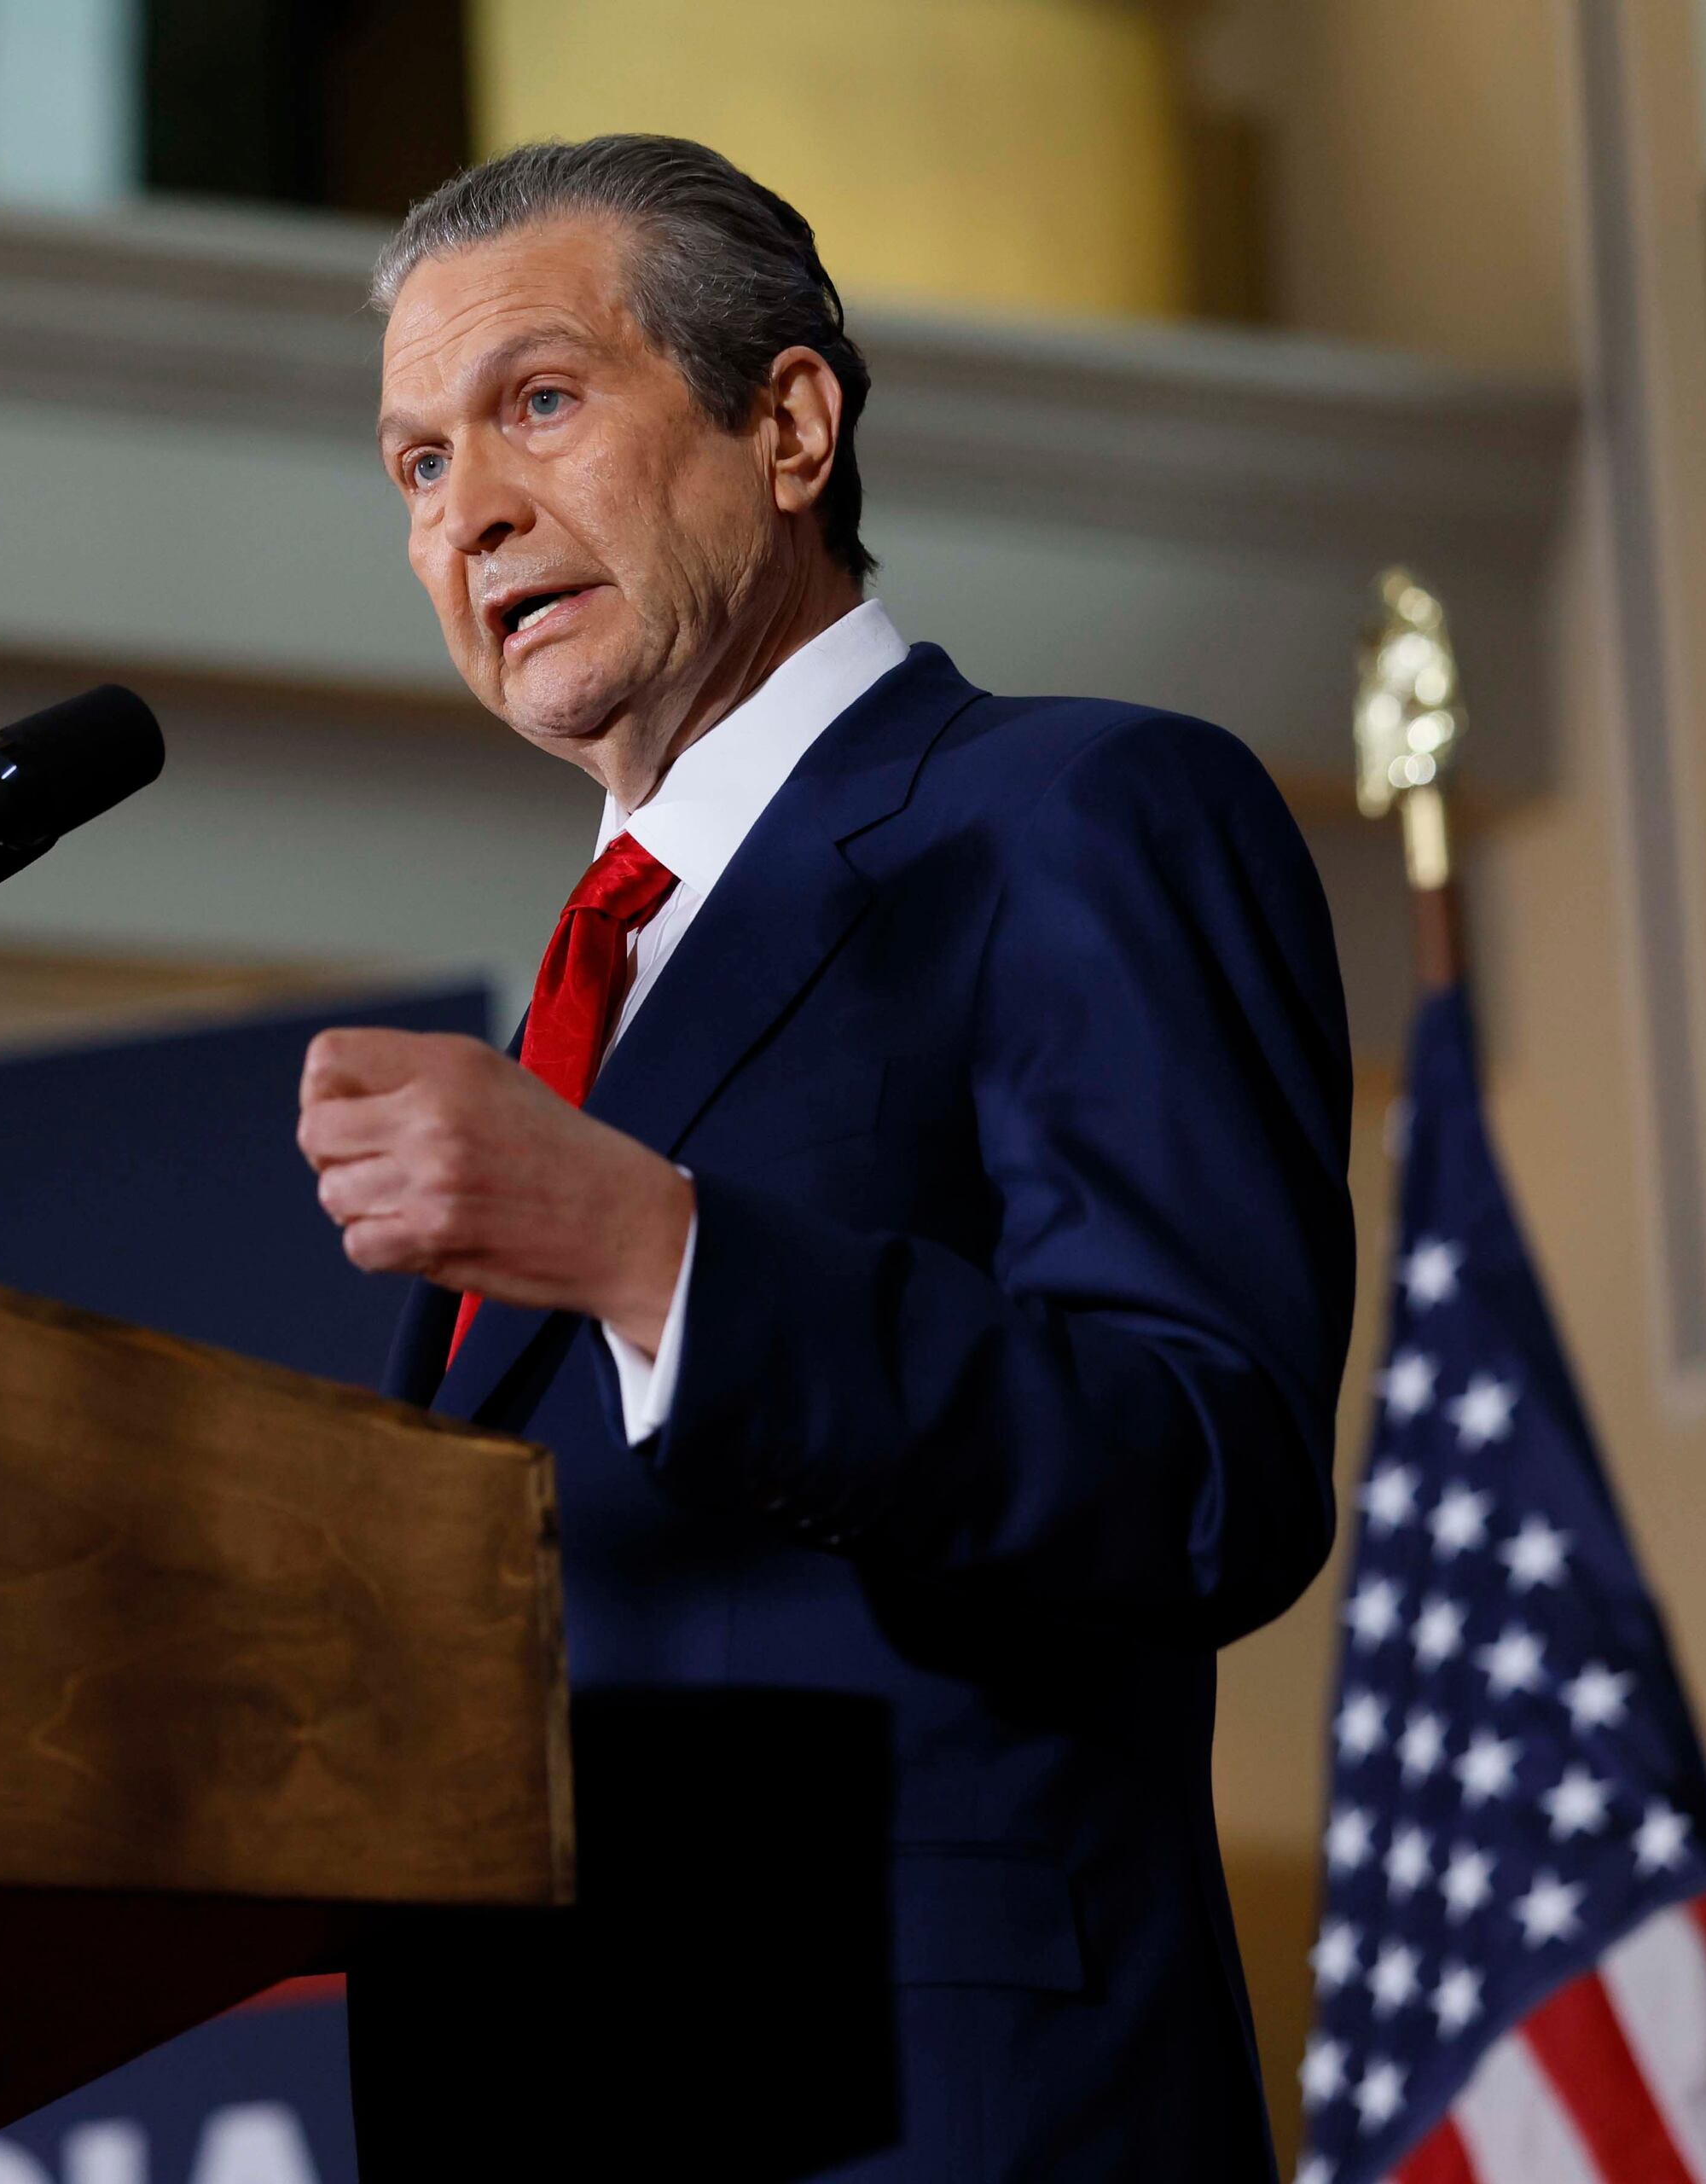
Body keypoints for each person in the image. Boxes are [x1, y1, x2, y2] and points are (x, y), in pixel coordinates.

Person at [296, 136, 1355, 2181]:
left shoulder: (1081, 809)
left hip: (931, 2106)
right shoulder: (588, 987)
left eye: (536, 402)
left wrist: (665, 1256)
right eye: (416, 464)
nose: (472, 511)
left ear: (788, 423)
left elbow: (1205, 1466)